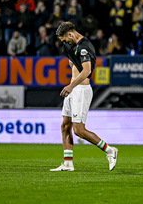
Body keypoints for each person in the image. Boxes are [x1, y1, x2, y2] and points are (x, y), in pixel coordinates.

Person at [50, 21, 118, 172]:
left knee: (79, 130)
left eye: (64, 39)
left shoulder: (85, 47)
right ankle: (68, 163)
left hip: (81, 89)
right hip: (73, 89)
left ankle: (110, 150)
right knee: (65, 125)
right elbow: (72, 64)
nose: (64, 42)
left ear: (70, 34)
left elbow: (87, 71)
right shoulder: (70, 45)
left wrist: (71, 86)